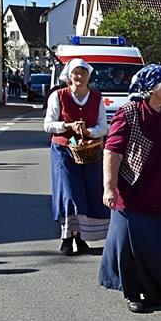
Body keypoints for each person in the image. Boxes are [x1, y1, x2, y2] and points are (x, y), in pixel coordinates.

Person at [99, 64, 161, 314]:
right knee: (131, 246)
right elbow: (112, 152)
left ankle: (159, 288)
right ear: (152, 89)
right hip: (134, 191)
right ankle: (134, 292)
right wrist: (109, 188)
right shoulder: (129, 113)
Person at [43, 58, 110, 255]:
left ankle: (81, 237)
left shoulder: (96, 98)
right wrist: (67, 126)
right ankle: (66, 237)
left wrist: (89, 132)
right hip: (63, 151)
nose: (79, 76)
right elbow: (48, 125)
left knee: (88, 192)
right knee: (69, 193)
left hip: (89, 151)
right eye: (75, 73)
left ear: (89, 76)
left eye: (83, 73)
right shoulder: (58, 96)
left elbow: (103, 127)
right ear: (69, 76)